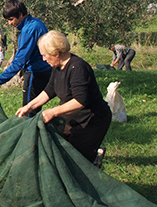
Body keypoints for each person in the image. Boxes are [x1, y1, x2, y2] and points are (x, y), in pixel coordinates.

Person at [16, 30, 112, 164]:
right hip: (73, 119)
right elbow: (49, 91)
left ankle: (94, 158)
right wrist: (29, 106)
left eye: (45, 55)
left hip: (91, 121)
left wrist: (53, 112)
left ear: (56, 54)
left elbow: (80, 101)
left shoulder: (78, 68)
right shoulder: (57, 67)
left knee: (78, 162)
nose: (43, 59)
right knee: (62, 154)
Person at [0, 0, 51, 116]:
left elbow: (19, 61)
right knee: (35, 107)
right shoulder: (37, 22)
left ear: (20, 14)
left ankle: (30, 133)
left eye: (11, 19)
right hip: (47, 70)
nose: (10, 23)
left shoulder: (28, 30)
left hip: (35, 73)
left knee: (29, 111)